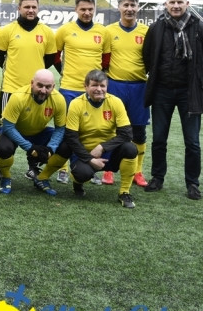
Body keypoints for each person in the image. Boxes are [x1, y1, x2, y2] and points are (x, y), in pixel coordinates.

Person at [142, 0, 203, 201]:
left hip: (189, 93)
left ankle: (192, 183)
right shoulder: (156, 28)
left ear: (187, 3)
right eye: (172, 2)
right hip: (162, 92)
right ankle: (157, 178)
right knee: (159, 139)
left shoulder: (200, 28)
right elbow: (147, 56)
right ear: (166, 4)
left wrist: (196, 78)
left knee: (192, 142)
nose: (175, 6)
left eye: (179, 2)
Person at [31, 70, 139, 208]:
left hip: (108, 152)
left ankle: (124, 192)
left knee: (130, 148)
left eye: (102, 86)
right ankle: (70, 181)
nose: (99, 89)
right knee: (75, 163)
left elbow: (127, 134)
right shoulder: (77, 104)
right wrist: (89, 159)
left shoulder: (115, 102)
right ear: (86, 87)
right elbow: (71, 137)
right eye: (94, 85)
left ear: (107, 87)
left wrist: (102, 147)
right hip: (83, 153)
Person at [52, 0, 110, 184]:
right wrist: (65, 72)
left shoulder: (103, 32)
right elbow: (55, 55)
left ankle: (87, 166)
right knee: (67, 130)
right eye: (83, 9)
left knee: (90, 130)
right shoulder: (65, 30)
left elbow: (106, 60)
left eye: (90, 9)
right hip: (69, 88)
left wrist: (97, 84)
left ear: (95, 10)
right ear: (76, 10)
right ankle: (62, 167)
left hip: (93, 91)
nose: (86, 13)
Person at [102, 0, 149, 187]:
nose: (129, 9)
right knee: (111, 128)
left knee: (138, 131)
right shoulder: (108, 31)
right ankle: (108, 169)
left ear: (138, 8)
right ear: (119, 7)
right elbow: (104, 60)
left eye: (133, 5)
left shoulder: (147, 32)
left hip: (139, 86)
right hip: (115, 85)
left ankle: (137, 171)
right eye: (126, 5)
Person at [0, 69, 67, 194]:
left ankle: (42, 178)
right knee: (4, 148)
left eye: (48, 87)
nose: (43, 90)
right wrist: (30, 148)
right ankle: (6, 177)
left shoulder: (59, 100)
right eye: (40, 85)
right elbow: (8, 127)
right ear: (32, 83)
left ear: (53, 86)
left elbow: (60, 128)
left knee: (66, 144)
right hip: (14, 130)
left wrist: (51, 148)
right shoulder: (18, 97)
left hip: (38, 131)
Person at [0, 0, 57, 113]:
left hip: (36, 89)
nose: (31, 10)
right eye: (27, 7)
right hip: (11, 88)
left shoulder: (47, 32)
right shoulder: (7, 30)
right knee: (6, 126)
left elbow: (50, 59)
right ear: (19, 8)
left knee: (33, 127)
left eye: (34, 7)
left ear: (38, 9)